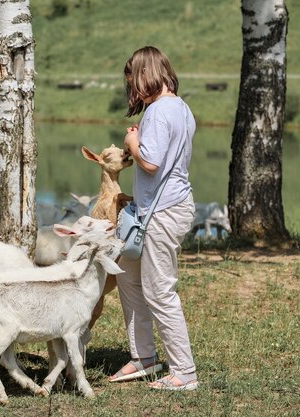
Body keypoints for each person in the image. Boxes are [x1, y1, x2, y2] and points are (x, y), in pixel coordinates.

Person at [108, 46, 198, 390]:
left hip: (163, 211)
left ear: (146, 74)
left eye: (133, 82)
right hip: (155, 209)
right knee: (129, 278)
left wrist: (133, 142)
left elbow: (151, 163)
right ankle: (143, 356)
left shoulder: (160, 111)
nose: (133, 91)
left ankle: (184, 374)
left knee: (160, 290)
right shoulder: (181, 108)